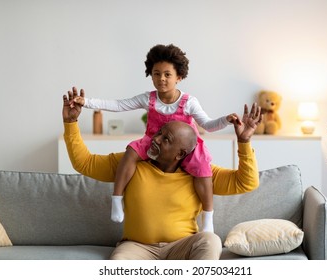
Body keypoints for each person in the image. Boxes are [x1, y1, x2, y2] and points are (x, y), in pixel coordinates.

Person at [63, 87, 262, 260]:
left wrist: (244, 143)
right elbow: (84, 163)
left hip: (183, 247)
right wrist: (71, 123)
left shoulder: (201, 174)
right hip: (137, 248)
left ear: (181, 153)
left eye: (166, 139)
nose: (156, 140)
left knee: (210, 240)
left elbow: (246, 183)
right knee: (119, 263)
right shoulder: (129, 164)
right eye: (159, 133)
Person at [71, 44, 241, 233]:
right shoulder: (148, 99)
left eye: (167, 74)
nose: (161, 79)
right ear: (150, 75)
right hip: (154, 140)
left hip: (185, 146)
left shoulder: (189, 102)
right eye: (156, 73)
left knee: (203, 168)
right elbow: (118, 105)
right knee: (131, 151)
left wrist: (226, 120)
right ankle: (117, 199)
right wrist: (86, 102)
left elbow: (208, 125)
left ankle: (208, 217)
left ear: (179, 77)